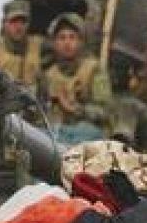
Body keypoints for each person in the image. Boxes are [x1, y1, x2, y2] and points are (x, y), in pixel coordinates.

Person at [38, 12, 111, 143]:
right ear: (54, 43)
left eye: (72, 37)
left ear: (81, 42)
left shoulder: (94, 70)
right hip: (57, 131)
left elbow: (105, 111)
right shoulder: (48, 75)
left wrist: (76, 109)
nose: (67, 43)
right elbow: (41, 111)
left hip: (87, 130)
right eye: (62, 38)